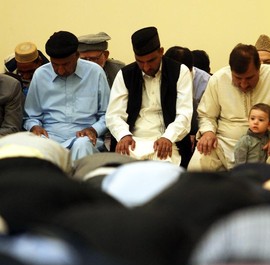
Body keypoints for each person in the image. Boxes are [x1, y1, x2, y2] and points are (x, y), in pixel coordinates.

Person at [188, 43, 270, 171]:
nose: (243, 84)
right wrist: (208, 132)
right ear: (231, 70)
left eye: (249, 78)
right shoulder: (218, 79)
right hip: (224, 146)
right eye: (238, 78)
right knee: (198, 160)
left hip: (267, 145)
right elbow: (206, 115)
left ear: (259, 68)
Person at [106, 26, 193, 167]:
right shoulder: (125, 74)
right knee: (125, 170)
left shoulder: (179, 72)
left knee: (164, 168)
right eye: (140, 62)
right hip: (133, 139)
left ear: (161, 52)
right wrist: (123, 135)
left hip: (167, 138)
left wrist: (168, 137)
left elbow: (185, 114)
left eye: (151, 61)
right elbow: (113, 115)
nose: (146, 67)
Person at [23, 31, 110, 161]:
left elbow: (107, 114)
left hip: (85, 137)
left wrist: (94, 129)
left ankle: (78, 181)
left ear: (77, 56)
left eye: (65, 64)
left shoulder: (95, 72)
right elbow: (31, 116)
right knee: (39, 147)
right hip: (50, 136)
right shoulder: (40, 75)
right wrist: (34, 127)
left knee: (82, 145)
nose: (60, 70)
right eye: (55, 65)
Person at [234, 103, 270, 167]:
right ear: (248, 120)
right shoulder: (244, 141)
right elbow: (239, 165)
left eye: (261, 120)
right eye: (252, 118)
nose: (255, 122)